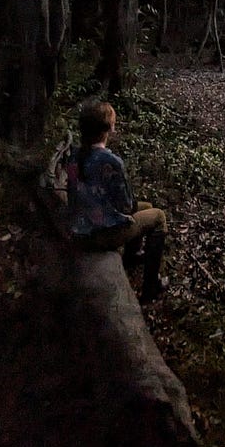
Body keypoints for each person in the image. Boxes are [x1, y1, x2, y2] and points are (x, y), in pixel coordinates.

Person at [68, 98, 168, 303]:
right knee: (158, 216)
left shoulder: (75, 155)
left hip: (80, 224)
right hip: (100, 233)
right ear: (108, 129)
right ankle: (151, 287)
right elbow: (126, 206)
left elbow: (73, 192)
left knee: (146, 206)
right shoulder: (110, 161)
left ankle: (133, 254)